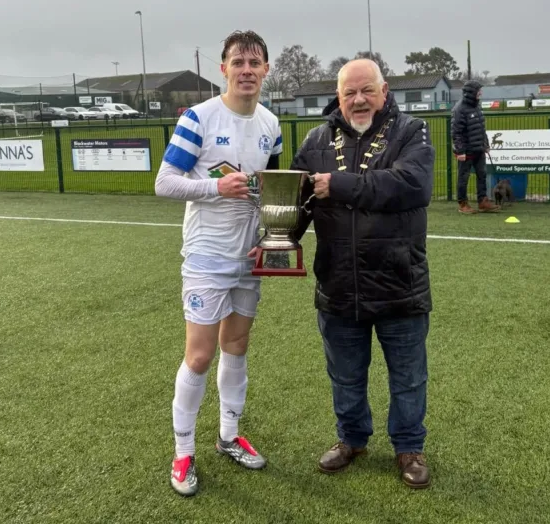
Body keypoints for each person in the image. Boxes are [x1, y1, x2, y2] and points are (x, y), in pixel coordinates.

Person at [289, 58, 436, 489]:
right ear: (338, 96)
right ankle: (351, 439)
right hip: (338, 284)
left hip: (399, 282)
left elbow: (411, 185)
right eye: (349, 92)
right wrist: (276, 238)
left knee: (408, 376)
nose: (358, 100)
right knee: (345, 374)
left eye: (367, 90)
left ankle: (409, 447)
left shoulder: (410, 132)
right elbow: (296, 203)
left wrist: (339, 184)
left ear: (384, 90)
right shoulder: (315, 140)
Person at [154, 30, 283, 497]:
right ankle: (183, 450)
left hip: (249, 258)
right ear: (223, 69)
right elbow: (164, 183)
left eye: (255, 62)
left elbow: (274, 194)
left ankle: (229, 436)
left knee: (237, 347)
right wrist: (214, 188)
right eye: (238, 62)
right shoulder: (199, 118)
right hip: (207, 258)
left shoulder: (272, 123)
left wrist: (268, 241)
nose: (246, 70)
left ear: (266, 69)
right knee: (200, 354)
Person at [451, 80, 499, 213]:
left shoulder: (477, 107)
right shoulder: (459, 109)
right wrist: (460, 151)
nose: (481, 93)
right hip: (466, 151)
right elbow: (456, 133)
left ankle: (483, 201)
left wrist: (486, 144)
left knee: (482, 175)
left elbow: (481, 128)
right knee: (463, 178)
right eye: (479, 91)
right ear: (471, 93)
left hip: (479, 149)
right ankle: (463, 204)